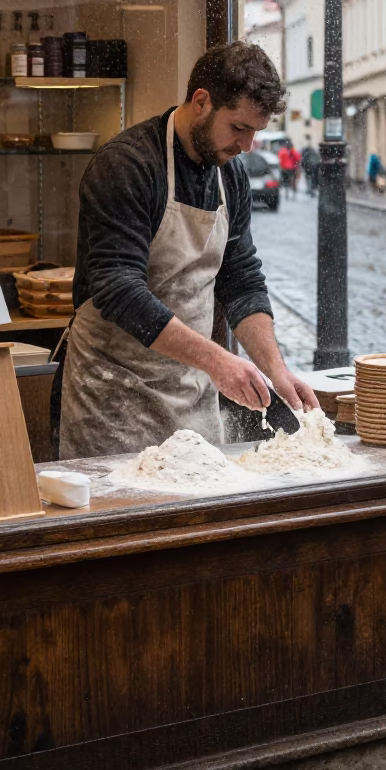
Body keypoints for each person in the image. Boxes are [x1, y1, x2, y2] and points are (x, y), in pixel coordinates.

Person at [60, 42, 318, 458]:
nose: (247, 145)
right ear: (201, 102)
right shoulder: (127, 166)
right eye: (239, 128)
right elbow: (119, 289)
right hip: (113, 397)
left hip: (191, 393)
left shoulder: (230, 175)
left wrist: (276, 370)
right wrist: (217, 361)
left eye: (255, 132)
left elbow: (240, 279)